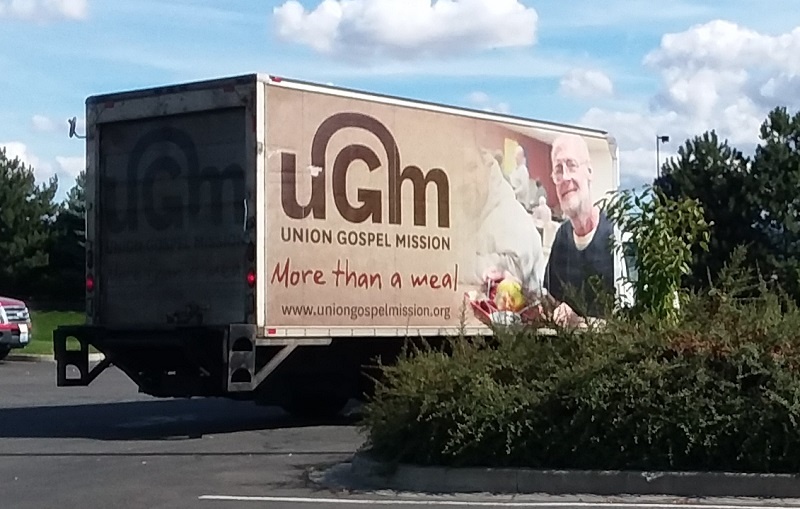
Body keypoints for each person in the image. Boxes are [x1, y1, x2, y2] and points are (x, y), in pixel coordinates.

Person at [543, 133, 616, 326]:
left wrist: (580, 323)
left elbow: (630, 324)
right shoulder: (562, 237)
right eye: (558, 169)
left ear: (589, 171)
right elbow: (551, 300)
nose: (565, 177)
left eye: (571, 165)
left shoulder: (615, 236)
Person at [507, 145, 531, 211]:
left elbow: (524, 188)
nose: (516, 157)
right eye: (515, 155)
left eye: (518, 155)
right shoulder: (514, 170)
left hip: (521, 204)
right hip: (514, 202)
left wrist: (514, 192)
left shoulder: (523, 170)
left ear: (521, 155)